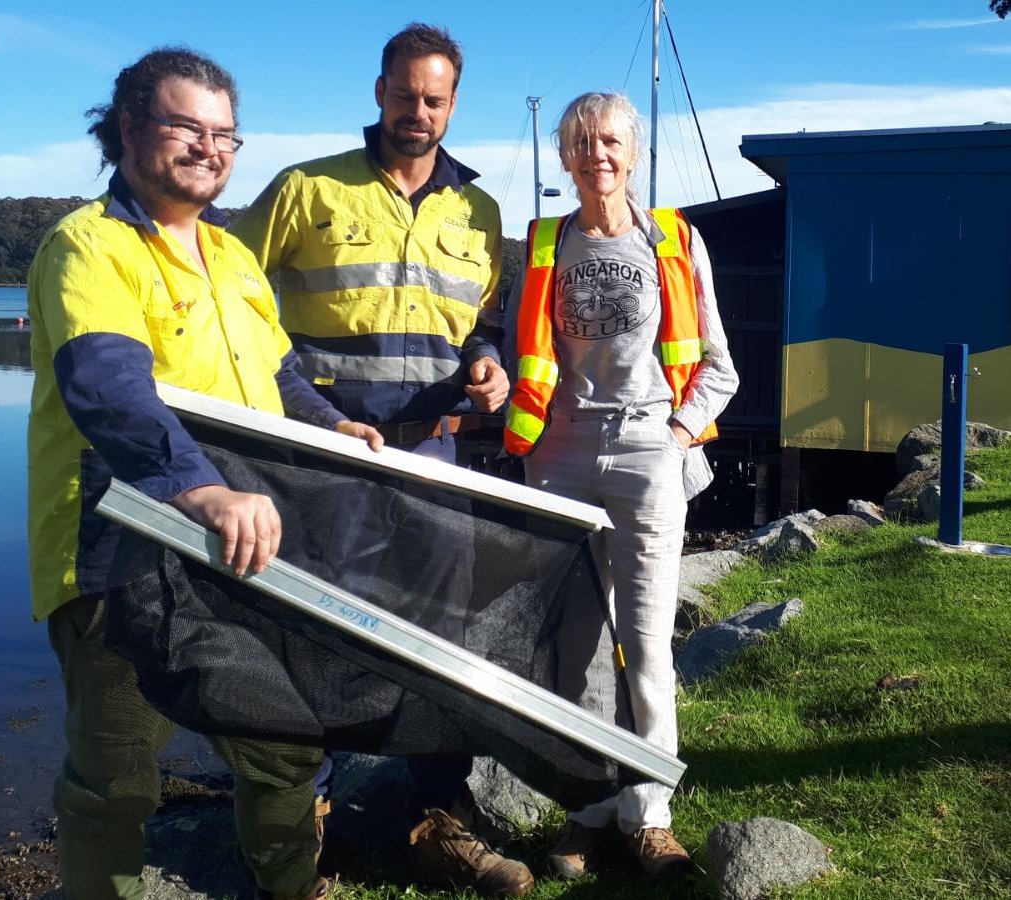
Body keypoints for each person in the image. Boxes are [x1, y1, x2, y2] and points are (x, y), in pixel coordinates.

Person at [27, 48, 382, 900]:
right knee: (116, 780)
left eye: (225, 134)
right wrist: (202, 486)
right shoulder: (88, 246)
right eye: (188, 126)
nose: (209, 147)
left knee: (284, 744)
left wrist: (336, 428)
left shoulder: (232, 256)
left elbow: (280, 374)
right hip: (119, 554)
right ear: (127, 128)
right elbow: (108, 388)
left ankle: (291, 887)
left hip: (238, 553)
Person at [231, 24, 530, 899]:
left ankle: (438, 818)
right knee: (313, 636)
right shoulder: (305, 188)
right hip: (322, 459)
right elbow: (236, 307)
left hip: (435, 460)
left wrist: (487, 366)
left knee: (440, 639)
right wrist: (313, 415)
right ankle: (303, 829)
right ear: (378, 91)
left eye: (435, 99)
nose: (419, 112)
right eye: (405, 94)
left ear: (453, 104)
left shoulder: (479, 209)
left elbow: (477, 322)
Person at [502, 91, 739, 880]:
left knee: (646, 641)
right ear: (565, 159)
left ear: (632, 153)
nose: (595, 154)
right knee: (576, 645)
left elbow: (718, 367)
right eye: (580, 143)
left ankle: (649, 815)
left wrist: (671, 442)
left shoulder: (675, 239)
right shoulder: (541, 245)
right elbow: (517, 357)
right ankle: (589, 810)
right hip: (559, 454)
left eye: (609, 141)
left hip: (647, 450)